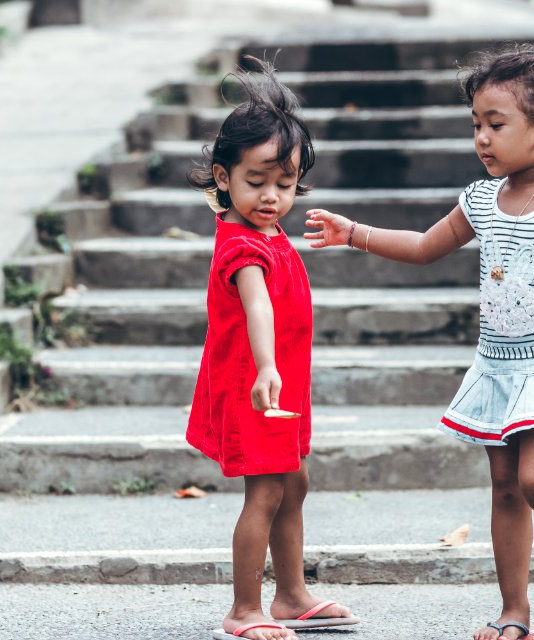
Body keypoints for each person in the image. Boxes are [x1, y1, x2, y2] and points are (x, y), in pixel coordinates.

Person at [304, 45, 534, 640]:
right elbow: (424, 246)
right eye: (475, 125)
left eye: (496, 125)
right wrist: (354, 233)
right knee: (505, 487)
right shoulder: (481, 200)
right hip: (500, 366)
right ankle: (514, 612)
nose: (481, 138)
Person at [186, 57, 359, 640]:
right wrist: (265, 366)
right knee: (265, 491)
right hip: (255, 384)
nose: (271, 197)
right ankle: (244, 608)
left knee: (294, 482)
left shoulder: (266, 232)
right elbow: (256, 303)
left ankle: (291, 595)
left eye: (285, 185)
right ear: (222, 176)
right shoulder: (241, 247)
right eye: (256, 181)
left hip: (281, 383)